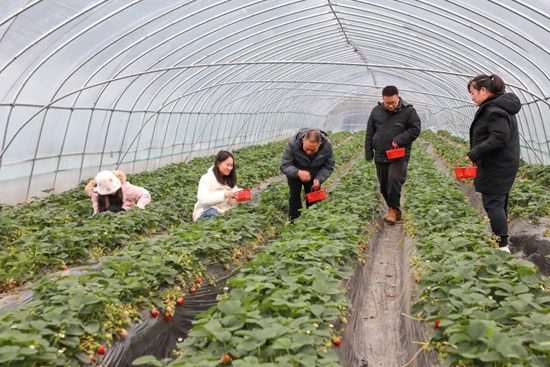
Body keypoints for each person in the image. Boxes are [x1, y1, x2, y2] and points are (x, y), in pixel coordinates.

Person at [466, 74, 521, 253]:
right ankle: (500, 240)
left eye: (473, 92)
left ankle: (502, 247)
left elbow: (499, 138)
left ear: (484, 90)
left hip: (497, 164)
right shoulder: (499, 106)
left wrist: (474, 153)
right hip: (501, 163)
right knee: (498, 201)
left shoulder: (493, 110)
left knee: (493, 203)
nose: (472, 96)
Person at [365, 86, 421, 223]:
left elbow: (415, 129)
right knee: (384, 185)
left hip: (399, 154)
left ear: (398, 97)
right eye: (387, 103)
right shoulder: (376, 111)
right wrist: (368, 151)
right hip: (380, 153)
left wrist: (399, 139)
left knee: (394, 179)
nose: (390, 105)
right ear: (383, 99)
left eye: (393, 102)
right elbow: (370, 132)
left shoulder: (409, 111)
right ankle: (396, 209)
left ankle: (392, 210)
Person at [280, 128, 335, 220]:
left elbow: (329, 165)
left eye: (313, 150)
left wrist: (319, 178)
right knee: (294, 195)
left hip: (315, 173)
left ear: (319, 144)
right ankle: (294, 220)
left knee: (314, 197)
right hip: (295, 172)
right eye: (307, 148)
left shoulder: (327, 146)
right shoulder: (293, 143)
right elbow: (285, 165)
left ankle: (314, 220)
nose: (309, 152)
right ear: (303, 141)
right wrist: (298, 172)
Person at [193, 151, 240, 222]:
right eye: (227, 165)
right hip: (205, 212)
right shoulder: (206, 178)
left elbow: (232, 202)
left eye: (231, 166)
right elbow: (203, 200)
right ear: (218, 163)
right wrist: (223, 194)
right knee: (213, 213)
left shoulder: (228, 180)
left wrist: (239, 196)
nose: (230, 168)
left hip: (223, 212)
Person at [85, 170, 151, 214]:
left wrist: (138, 208)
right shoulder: (96, 194)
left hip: (127, 215)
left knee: (112, 209)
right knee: (109, 210)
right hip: (109, 220)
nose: (113, 192)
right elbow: (97, 211)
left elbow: (145, 194)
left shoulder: (125, 187)